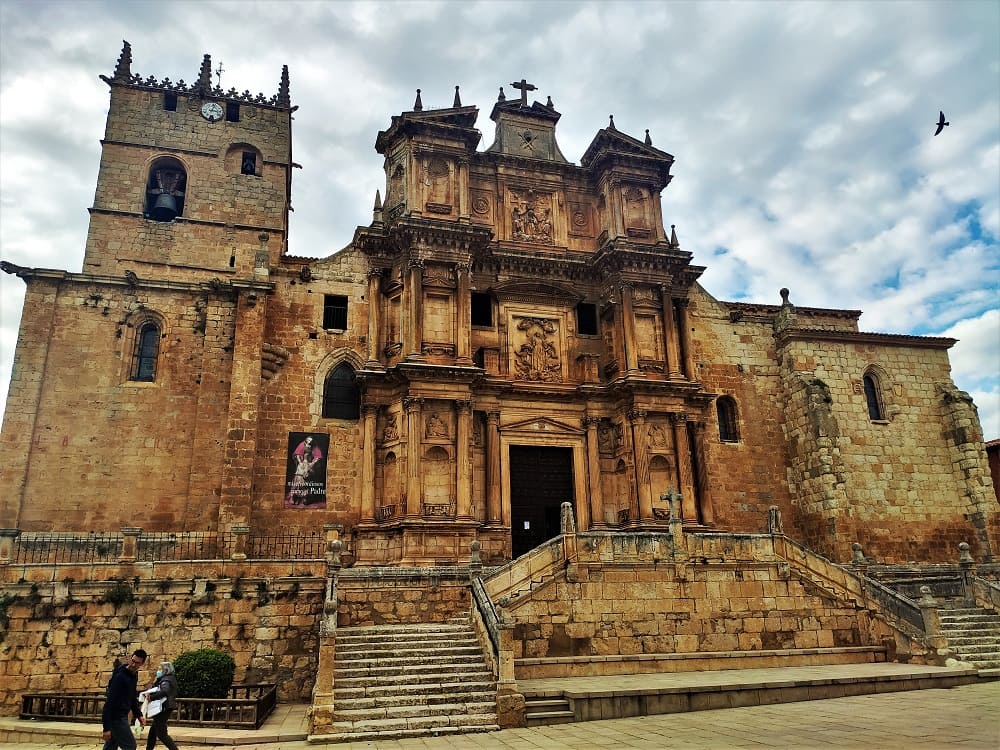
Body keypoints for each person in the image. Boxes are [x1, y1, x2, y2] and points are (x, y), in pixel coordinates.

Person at [102, 648, 147, 750]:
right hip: (117, 717)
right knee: (130, 746)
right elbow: (109, 702)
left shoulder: (134, 675)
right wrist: (106, 728)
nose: (133, 665)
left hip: (121, 716)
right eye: (133, 661)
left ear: (142, 664)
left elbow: (132, 697)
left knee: (111, 746)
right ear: (130, 658)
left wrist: (139, 715)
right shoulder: (120, 677)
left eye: (137, 663)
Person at [141, 661, 180, 750]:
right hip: (164, 707)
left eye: (160, 669)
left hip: (163, 708)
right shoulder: (167, 678)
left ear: (165, 670)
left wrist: (152, 697)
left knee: (161, 734)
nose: (158, 671)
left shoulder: (166, 679)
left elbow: (164, 691)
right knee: (153, 732)